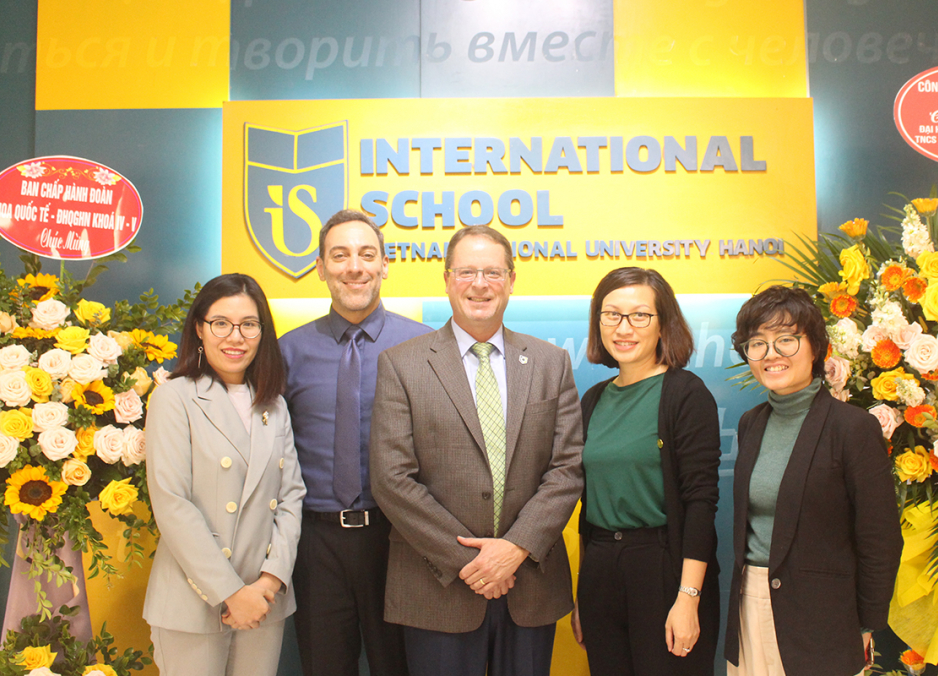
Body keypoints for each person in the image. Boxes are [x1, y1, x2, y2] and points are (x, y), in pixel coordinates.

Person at [369, 225, 584, 676]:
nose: (480, 284)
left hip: (529, 584)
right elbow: (392, 479)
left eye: (492, 272)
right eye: (467, 271)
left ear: (510, 279)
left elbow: (566, 468)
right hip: (437, 586)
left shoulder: (551, 362)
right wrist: (474, 561)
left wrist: (516, 548)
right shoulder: (401, 365)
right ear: (447, 279)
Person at [279, 209, 430, 676]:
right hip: (315, 542)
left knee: (401, 666)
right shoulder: (287, 351)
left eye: (367, 254)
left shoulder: (425, 346)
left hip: (401, 539)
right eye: (339, 255)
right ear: (321, 267)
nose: (354, 267)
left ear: (385, 264)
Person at [725, 285, 903, 676]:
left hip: (825, 620)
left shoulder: (853, 428)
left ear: (817, 346)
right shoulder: (751, 423)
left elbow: (880, 538)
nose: (771, 354)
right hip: (749, 604)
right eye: (757, 343)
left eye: (786, 340)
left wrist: (866, 625)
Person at [144, 273, 306, 676]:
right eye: (221, 323)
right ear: (199, 328)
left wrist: (268, 584)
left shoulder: (274, 406)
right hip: (192, 601)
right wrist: (232, 593)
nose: (236, 336)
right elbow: (172, 504)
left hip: (263, 604)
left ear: (262, 332)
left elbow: (291, 498)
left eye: (249, 324)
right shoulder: (173, 397)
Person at [571, 267, 721, 676]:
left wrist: (688, 599)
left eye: (640, 315)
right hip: (601, 568)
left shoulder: (685, 395)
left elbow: (700, 504)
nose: (624, 327)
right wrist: (585, 596)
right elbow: (588, 505)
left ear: (663, 325)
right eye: (611, 314)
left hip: (662, 569)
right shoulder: (593, 400)